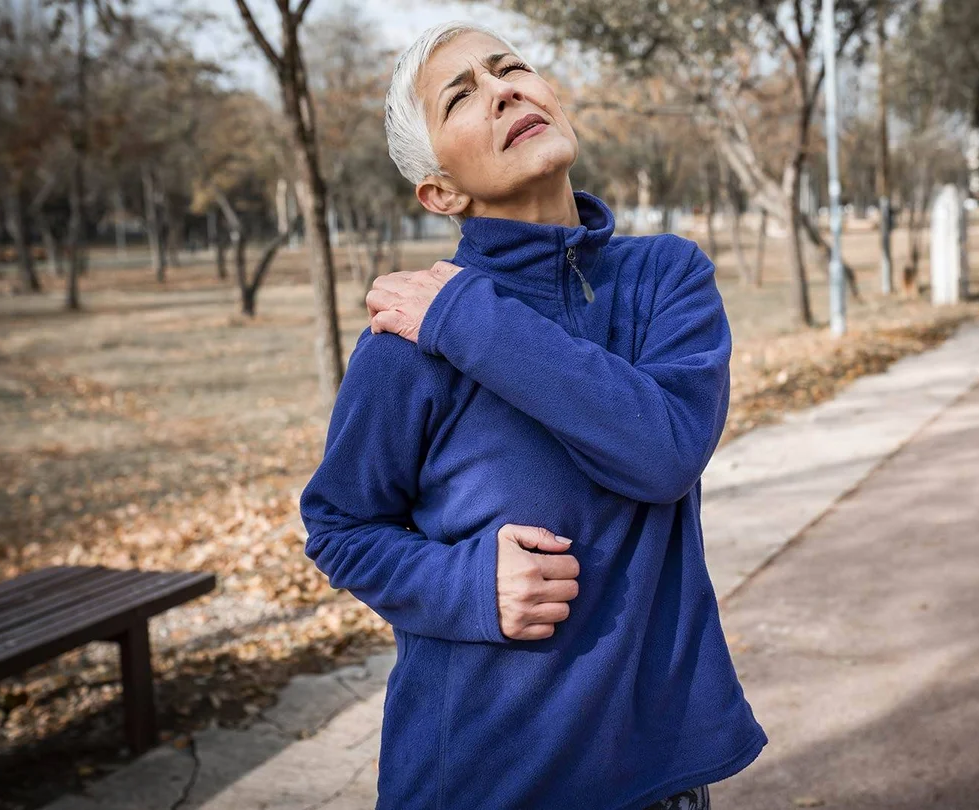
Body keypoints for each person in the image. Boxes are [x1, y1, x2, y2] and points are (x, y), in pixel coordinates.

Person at [299, 21, 765, 810]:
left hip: (657, 773)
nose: (502, 90)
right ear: (441, 192)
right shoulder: (406, 340)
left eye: (510, 67)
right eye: (461, 96)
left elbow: (664, 452)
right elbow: (339, 527)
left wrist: (472, 323)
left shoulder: (663, 278)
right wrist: (467, 584)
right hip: (485, 775)